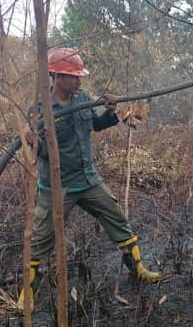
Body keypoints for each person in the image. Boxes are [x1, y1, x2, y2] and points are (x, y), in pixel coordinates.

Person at [17, 48, 160, 311]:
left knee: (117, 218)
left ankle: (138, 270)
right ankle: (27, 294)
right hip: (57, 186)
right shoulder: (39, 109)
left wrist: (111, 110)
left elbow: (96, 124)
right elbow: (40, 154)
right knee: (40, 239)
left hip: (88, 179)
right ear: (57, 76)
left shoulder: (82, 97)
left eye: (79, 77)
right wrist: (33, 140)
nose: (79, 82)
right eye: (74, 77)